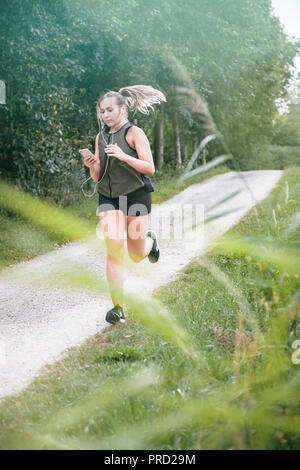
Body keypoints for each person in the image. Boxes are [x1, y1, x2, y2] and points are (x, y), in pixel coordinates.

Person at [82, 85, 166, 325]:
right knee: (114, 248)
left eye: (109, 110)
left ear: (122, 108)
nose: (105, 115)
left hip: (135, 196)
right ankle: (118, 308)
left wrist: (124, 156)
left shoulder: (134, 133)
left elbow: (149, 168)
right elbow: (98, 176)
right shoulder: (100, 137)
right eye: (102, 111)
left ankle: (150, 243)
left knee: (137, 254)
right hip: (108, 198)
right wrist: (91, 164)